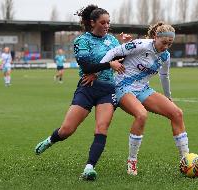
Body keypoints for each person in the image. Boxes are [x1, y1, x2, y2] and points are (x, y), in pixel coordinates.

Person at [34, 5, 131, 181]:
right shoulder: (82, 41)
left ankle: (89, 168)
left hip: (107, 90)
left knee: (102, 128)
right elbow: (86, 67)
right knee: (67, 130)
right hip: (87, 88)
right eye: (103, 22)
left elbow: (121, 60)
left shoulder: (113, 41)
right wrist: (108, 65)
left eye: (109, 22)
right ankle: (50, 140)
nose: (107, 25)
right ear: (92, 22)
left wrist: (125, 46)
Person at [100, 22, 190, 176]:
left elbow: (164, 76)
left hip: (143, 89)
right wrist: (98, 69)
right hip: (122, 86)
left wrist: (168, 97)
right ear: (155, 37)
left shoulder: (165, 56)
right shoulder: (140, 45)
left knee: (177, 113)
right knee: (141, 115)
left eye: (170, 43)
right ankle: (132, 161)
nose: (166, 47)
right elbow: (114, 51)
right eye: (164, 43)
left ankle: (186, 160)